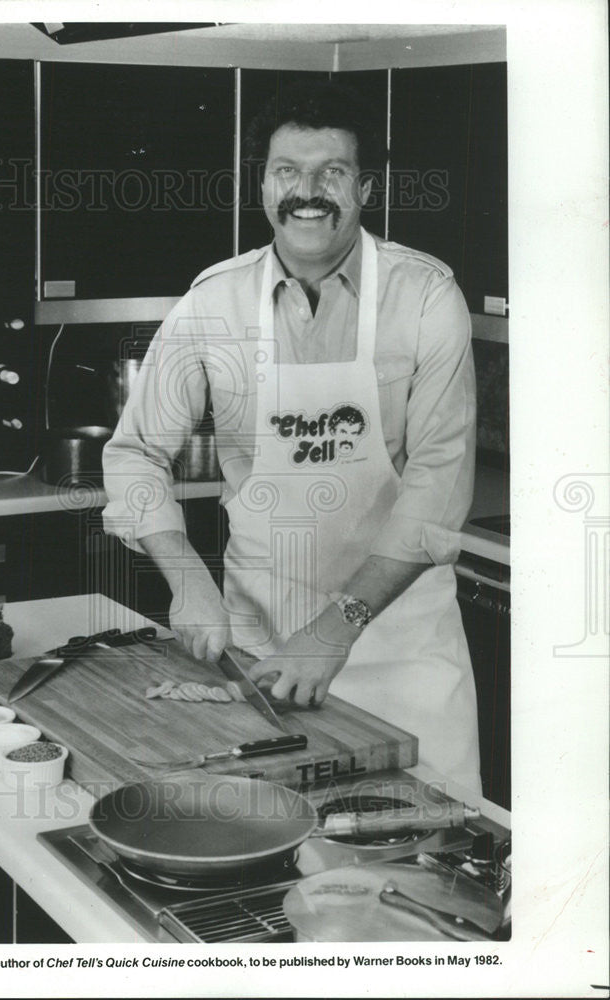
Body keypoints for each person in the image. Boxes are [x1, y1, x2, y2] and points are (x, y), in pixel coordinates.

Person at [103, 80, 481, 792]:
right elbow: (136, 453)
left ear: (365, 187)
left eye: (331, 172)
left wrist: (335, 628)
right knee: (277, 855)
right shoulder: (213, 301)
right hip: (260, 641)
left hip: (400, 646)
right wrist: (188, 583)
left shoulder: (425, 296)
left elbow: (436, 485)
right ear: (263, 184)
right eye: (287, 171)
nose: (306, 192)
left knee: (426, 856)